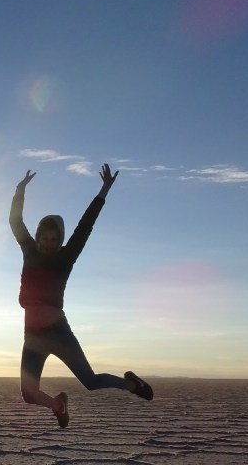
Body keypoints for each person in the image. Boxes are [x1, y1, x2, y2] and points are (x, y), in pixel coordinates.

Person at [8, 163, 153, 427]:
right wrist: (20, 191)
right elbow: (15, 222)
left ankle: (132, 384)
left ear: (60, 241)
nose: (49, 243)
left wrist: (103, 191)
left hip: (58, 333)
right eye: (45, 237)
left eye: (55, 239)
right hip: (33, 337)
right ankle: (58, 405)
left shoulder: (66, 258)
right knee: (29, 394)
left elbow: (85, 226)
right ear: (38, 237)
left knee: (91, 381)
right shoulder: (29, 252)